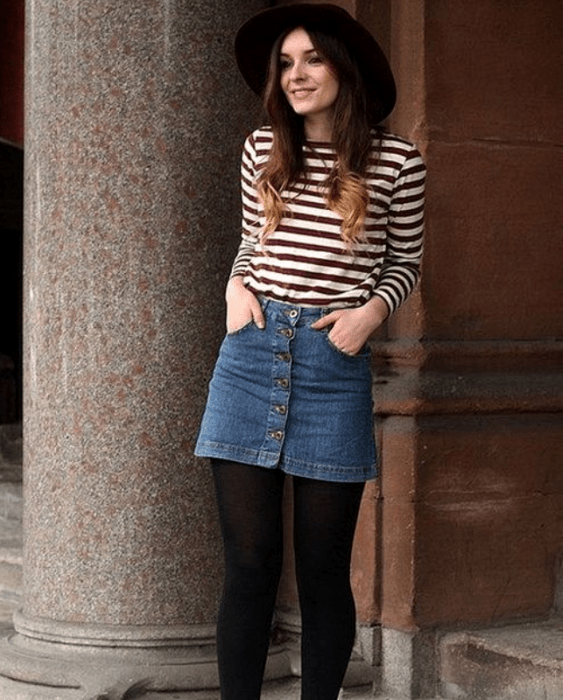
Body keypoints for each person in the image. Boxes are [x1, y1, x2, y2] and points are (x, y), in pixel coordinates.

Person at [195, 4, 425, 699]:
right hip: (250, 355)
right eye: (286, 64)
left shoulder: (395, 161)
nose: (295, 75)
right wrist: (235, 286)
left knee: (323, 568)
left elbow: (404, 259)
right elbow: (251, 239)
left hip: (332, 364)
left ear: (342, 66)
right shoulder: (261, 149)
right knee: (250, 562)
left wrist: (370, 315)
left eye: (311, 59)